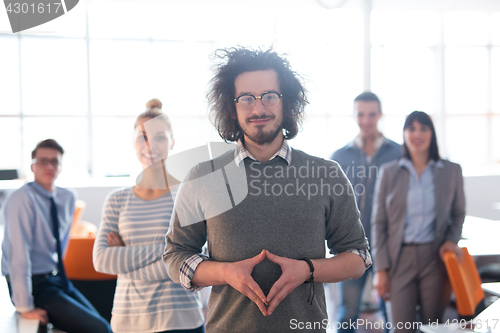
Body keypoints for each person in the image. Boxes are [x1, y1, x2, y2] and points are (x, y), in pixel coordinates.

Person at [163, 47, 371, 333]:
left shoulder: (326, 173)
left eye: (270, 96)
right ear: (232, 108)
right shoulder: (203, 176)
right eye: (246, 98)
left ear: (287, 104)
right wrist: (225, 272)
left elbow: (358, 258)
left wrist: (308, 270)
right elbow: (176, 256)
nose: (258, 109)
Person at [93, 99, 205, 333]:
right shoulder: (117, 199)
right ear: (133, 143)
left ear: (172, 142)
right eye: (142, 136)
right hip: (128, 321)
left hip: (181, 321)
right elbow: (102, 259)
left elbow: (196, 259)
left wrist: (124, 260)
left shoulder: (187, 195)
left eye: (160, 137)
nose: (150, 144)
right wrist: (170, 250)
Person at [1, 139, 112, 333]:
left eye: (55, 161)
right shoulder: (21, 199)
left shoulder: (67, 197)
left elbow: (62, 244)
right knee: (100, 329)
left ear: (61, 166)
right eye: (43, 161)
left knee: (105, 323)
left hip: (57, 278)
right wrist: (25, 306)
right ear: (32, 166)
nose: (49, 166)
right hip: (34, 283)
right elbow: (18, 256)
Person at [371, 111, 465, 333]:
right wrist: (381, 269)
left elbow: (458, 212)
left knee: (432, 326)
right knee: (401, 327)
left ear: (432, 133)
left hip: (435, 258)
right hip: (399, 258)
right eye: (411, 128)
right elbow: (378, 223)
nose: (417, 134)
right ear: (403, 134)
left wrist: (452, 239)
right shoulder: (388, 172)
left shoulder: (451, 171)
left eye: (423, 128)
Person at [331, 92, 400, 332]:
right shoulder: (339, 157)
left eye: (372, 114)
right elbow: (332, 206)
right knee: (347, 314)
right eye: (361, 114)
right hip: (351, 249)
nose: (366, 120)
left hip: (389, 250)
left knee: (393, 314)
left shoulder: (399, 154)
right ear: (354, 115)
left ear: (380, 115)